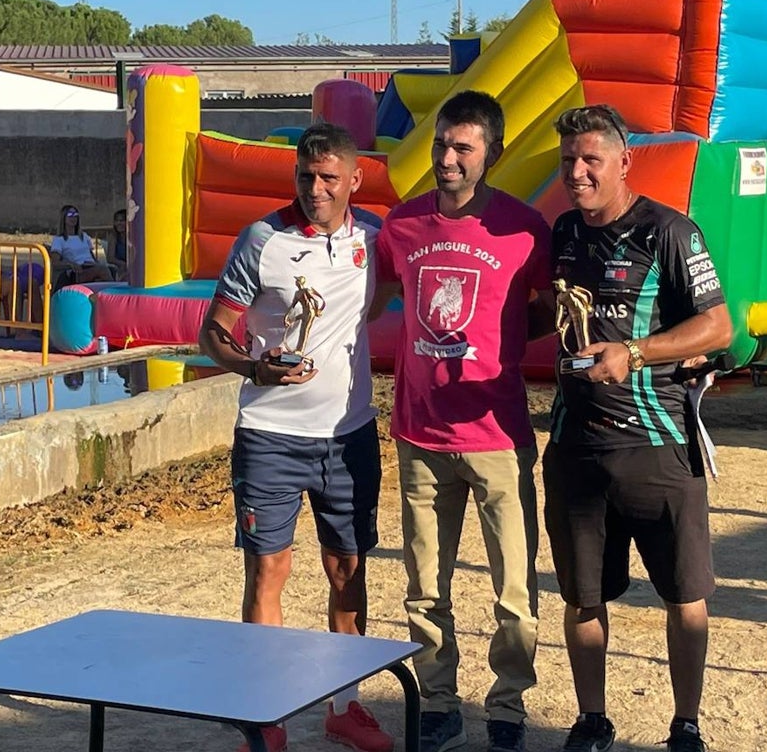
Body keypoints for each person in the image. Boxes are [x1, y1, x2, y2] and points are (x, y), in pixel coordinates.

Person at [197, 122, 392, 752]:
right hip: (270, 436)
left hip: (349, 435)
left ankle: (346, 707)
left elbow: (383, 297)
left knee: (347, 570)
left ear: (355, 179)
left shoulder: (375, 239)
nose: (315, 188)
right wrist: (254, 367)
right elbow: (213, 334)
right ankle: (267, 712)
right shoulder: (261, 240)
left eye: (329, 177)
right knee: (268, 571)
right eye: (306, 176)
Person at [545, 104, 733, 752]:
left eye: (591, 159)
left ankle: (686, 723)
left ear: (625, 162)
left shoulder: (669, 232)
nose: (577, 171)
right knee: (583, 598)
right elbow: (553, 313)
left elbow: (718, 326)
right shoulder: (563, 232)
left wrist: (637, 352)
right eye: (569, 160)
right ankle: (592, 718)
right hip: (575, 446)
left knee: (684, 596)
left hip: (657, 448)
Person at [371, 90, 554, 752]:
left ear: (492, 154)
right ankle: (440, 701)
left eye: (462, 147)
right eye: (441, 143)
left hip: (497, 438)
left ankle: (507, 705)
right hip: (419, 435)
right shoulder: (401, 226)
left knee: (514, 588)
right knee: (424, 587)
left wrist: (501, 345)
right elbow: (373, 301)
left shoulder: (525, 228)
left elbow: (543, 314)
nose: (447, 157)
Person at [50, 204, 113, 288]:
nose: (74, 218)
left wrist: (96, 263)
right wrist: (71, 264)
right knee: (102, 270)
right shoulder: (59, 239)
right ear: (63, 218)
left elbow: (92, 256)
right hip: (77, 270)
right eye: (70, 215)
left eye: (76, 215)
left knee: (111, 269)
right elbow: (55, 262)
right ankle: (116, 296)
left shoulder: (84, 236)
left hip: (90, 265)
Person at [103, 207, 133, 281]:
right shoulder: (113, 236)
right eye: (117, 221)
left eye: (122, 220)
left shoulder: (134, 236)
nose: (119, 223)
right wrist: (123, 264)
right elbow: (110, 258)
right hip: (121, 267)